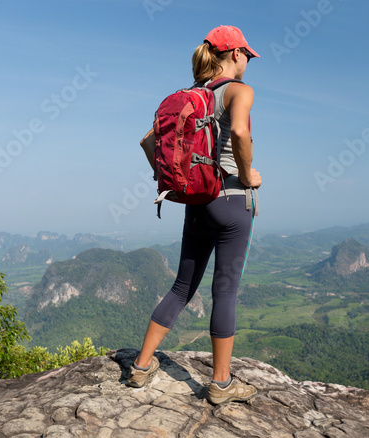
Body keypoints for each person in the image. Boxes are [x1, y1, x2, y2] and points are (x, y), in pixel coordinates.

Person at [128, 25, 263, 405]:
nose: (249, 62)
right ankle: (221, 384)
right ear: (235, 53)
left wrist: (170, 177)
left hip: (197, 201)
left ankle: (140, 366)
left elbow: (148, 142)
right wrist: (247, 173)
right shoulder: (239, 91)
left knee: (182, 287)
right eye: (247, 55)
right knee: (226, 291)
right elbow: (238, 131)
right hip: (232, 201)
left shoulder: (191, 96)